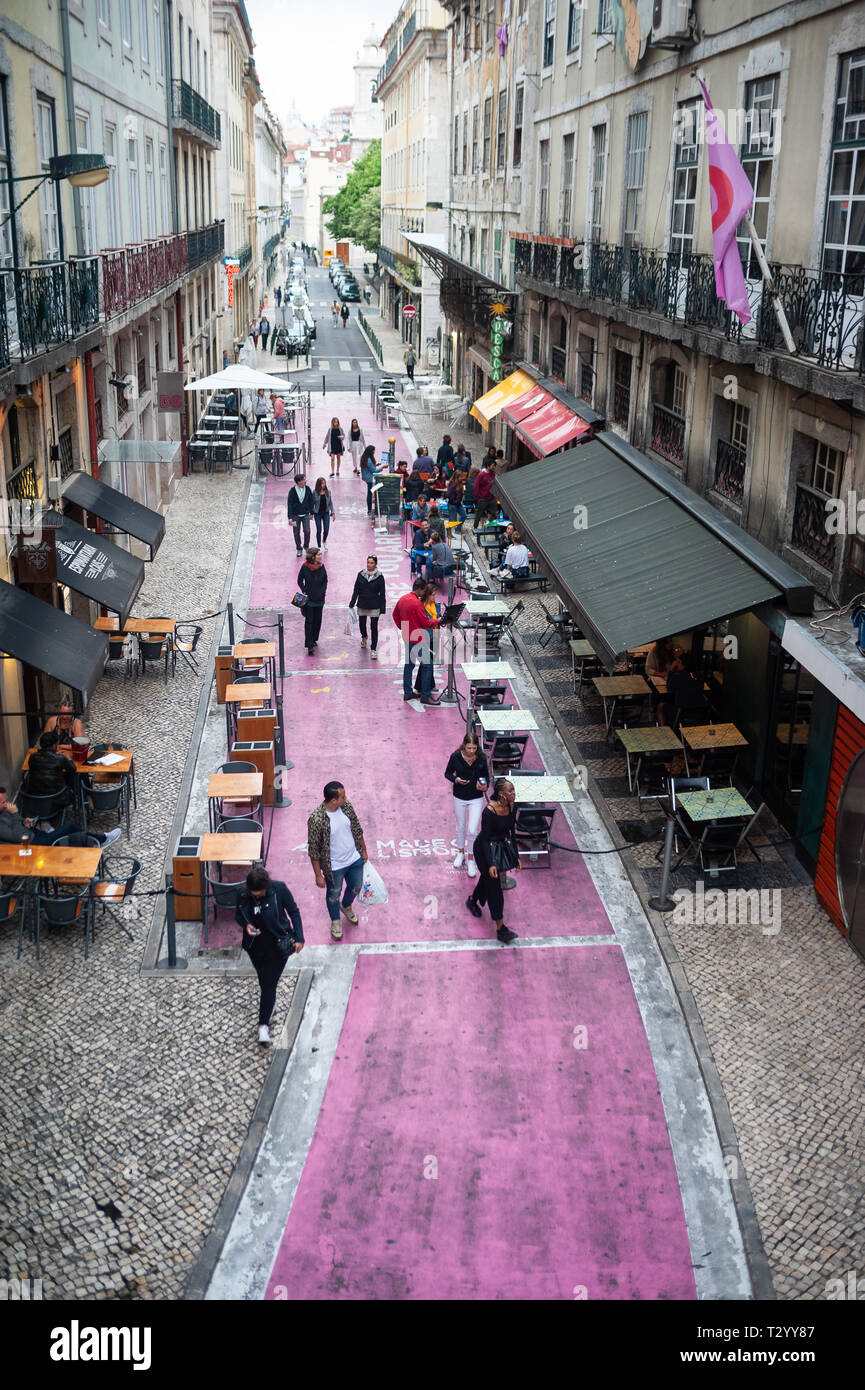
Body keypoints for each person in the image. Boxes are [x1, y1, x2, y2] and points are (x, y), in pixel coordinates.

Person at [236, 866, 304, 1046]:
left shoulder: (279, 890)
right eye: (254, 893)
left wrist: (299, 937)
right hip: (254, 947)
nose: (256, 896)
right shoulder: (243, 894)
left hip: (278, 946)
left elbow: (294, 912)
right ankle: (270, 1006)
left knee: (268, 984)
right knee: (264, 981)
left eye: (259, 893)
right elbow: (239, 914)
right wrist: (246, 925)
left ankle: (263, 1025)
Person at [307, 781, 369, 941]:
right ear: (333, 800)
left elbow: (356, 828)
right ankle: (335, 920)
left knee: (356, 886)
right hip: (334, 866)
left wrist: (363, 850)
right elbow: (313, 849)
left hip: (354, 859)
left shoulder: (346, 806)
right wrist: (318, 875)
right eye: (342, 796)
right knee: (333, 895)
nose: (345, 798)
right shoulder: (316, 819)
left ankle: (346, 905)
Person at [465, 778, 520, 944]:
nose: (514, 794)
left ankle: (473, 901)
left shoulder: (512, 807)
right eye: (510, 791)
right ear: (501, 794)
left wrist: (516, 856)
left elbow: (512, 832)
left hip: (500, 848)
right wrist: (492, 864)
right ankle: (501, 928)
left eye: (514, 790)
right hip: (484, 851)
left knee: (488, 880)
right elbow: (485, 840)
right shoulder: (489, 811)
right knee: (495, 888)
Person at [0, 787, 121, 850]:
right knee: (70, 827)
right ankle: (102, 839)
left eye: (6, 800)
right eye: (2, 802)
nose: (6, 804)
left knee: (68, 836)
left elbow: (17, 825)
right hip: (32, 846)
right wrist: (15, 814)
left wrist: (24, 821)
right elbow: (16, 837)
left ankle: (93, 844)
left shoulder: (4, 811)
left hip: (35, 835)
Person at [445, 733, 490, 878]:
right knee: (461, 826)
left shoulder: (481, 758)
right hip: (459, 796)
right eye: (469, 747)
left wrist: (483, 784)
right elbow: (447, 773)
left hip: (476, 797)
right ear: (464, 745)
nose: (471, 751)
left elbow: (485, 777)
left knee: (472, 830)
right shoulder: (455, 756)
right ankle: (460, 852)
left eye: (474, 748)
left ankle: (471, 857)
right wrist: (456, 779)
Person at [392, 576, 440, 704]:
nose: (424, 593)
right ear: (419, 589)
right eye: (424, 591)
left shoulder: (402, 599)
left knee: (409, 665)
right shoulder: (417, 603)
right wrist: (439, 621)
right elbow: (426, 622)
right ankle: (425, 695)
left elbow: (395, 615)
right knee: (428, 665)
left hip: (407, 636)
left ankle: (408, 693)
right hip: (417, 638)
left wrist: (402, 627)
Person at [24, 731, 76, 809]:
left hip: (35, 796)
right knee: (73, 778)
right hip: (57, 798)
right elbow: (73, 769)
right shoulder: (60, 758)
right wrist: (68, 759)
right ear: (54, 745)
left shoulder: (32, 757)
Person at [657, 650, 709, 727]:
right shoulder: (699, 676)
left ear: (683, 664)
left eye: (678, 662)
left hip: (682, 713)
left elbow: (669, 688)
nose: (676, 664)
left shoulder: (678, 677)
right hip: (700, 712)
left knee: (660, 706)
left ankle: (664, 732)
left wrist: (671, 670)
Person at [349, 554, 386, 658]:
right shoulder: (360, 574)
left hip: (375, 605)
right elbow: (356, 589)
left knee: (374, 627)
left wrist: (382, 608)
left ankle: (373, 649)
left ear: (375, 564)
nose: (369, 565)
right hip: (362, 603)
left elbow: (382, 593)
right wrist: (352, 603)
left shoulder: (380, 576)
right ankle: (364, 636)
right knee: (362, 624)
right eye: (368, 562)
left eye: (372, 563)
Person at [298, 546, 327, 655]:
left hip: (320, 599)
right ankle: (309, 644)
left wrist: (323, 592)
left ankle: (314, 639)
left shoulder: (322, 566)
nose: (321, 556)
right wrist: (305, 590)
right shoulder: (305, 567)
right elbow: (299, 580)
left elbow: (325, 580)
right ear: (313, 557)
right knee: (309, 622)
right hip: (309, 600)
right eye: (319, 554)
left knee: (317, 621)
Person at [287, 473, 315, 557]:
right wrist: (289, 517)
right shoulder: (292, 491)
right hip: (295, 515)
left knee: (307, 531)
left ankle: (306, 546)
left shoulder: (308, 489)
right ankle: (299, 548)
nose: (305, 481)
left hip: (306, 514)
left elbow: (311, 501)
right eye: (304, 479)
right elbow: (289, 504)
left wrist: (311, 512)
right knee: (296, 532)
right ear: (299, 482)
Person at [472, 457, 498, 530]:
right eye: (492, 465)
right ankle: (475, 526)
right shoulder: (481, 475)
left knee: (493, 511)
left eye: (494, 465)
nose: (494, 467)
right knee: (479, 513)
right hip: (483, 498)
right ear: (488, 466)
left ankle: (488, 522)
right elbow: (476, 486)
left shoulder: (493, 474)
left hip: (491, 496)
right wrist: (478, 497)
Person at [312, 476, 335, 548]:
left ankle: (324, 540)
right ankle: (319, 546)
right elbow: (312, 503)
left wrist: (333, 512)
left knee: (326, 529)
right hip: (317, 514)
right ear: (318, 484)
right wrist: (311, 513)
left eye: (324, 483)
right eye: (322, 483)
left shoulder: (328, 492)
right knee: (319, 530)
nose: (323, 485)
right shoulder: (315, 492)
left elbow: (330, 502)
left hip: (326, 513)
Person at [359, 443, 378, 515]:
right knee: (370, 493)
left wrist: (376, 465)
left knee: (370, 493)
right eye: (373, 451)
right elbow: (374, 470)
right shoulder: (369, 460)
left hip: (367, 478)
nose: (374, 452)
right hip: (370, 479)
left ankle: (370, 509)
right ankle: (370, 509)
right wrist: (382, 467)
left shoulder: (364, 457)